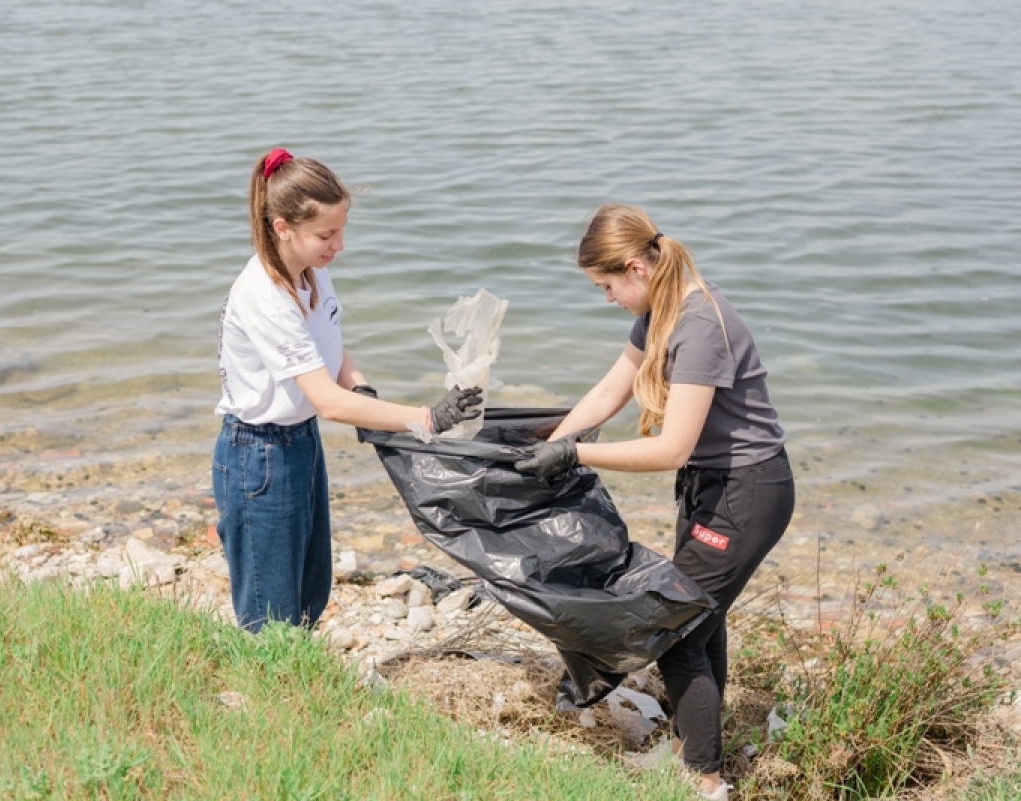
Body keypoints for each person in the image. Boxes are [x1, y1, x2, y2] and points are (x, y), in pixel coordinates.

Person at [515, 204, 794, 801]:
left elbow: (671, 447)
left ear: (636, 267)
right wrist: (559, 439)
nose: (608, 298)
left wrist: (577, 458)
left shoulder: (700, 325)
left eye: (608, 285)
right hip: (710, 486)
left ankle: (705, 782)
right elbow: (610, 390)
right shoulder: (660, 311)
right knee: (697, 615)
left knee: (673, 628)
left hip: (748, 492)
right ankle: (690, 753)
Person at [213, 147, 482, 633]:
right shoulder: (264, 295)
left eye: (341, 230)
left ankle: (297, 693)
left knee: (310, 593)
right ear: (282, 227)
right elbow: (328, 401)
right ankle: (269, 700)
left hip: (300, 443)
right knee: (270, 616)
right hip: (259, 455)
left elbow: (330, 348)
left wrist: (368, 394)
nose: (338, 245)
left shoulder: (312, 271)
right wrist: (426, 418)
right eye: (326, 234)